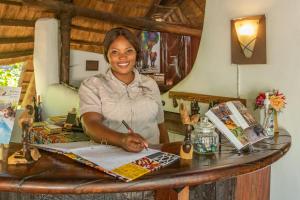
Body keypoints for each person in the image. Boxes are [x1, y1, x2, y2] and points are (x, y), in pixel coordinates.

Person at [79, 27, 169, 153]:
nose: (123, 57)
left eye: (129, 51)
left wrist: (167, 153)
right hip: (110, 160)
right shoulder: (92, 85)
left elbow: (161, 125)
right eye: (115, 52)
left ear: (136, 53)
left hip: (150, 158)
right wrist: (121, 140)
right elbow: (91, 125)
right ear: (107, 55)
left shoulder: (150, 84)